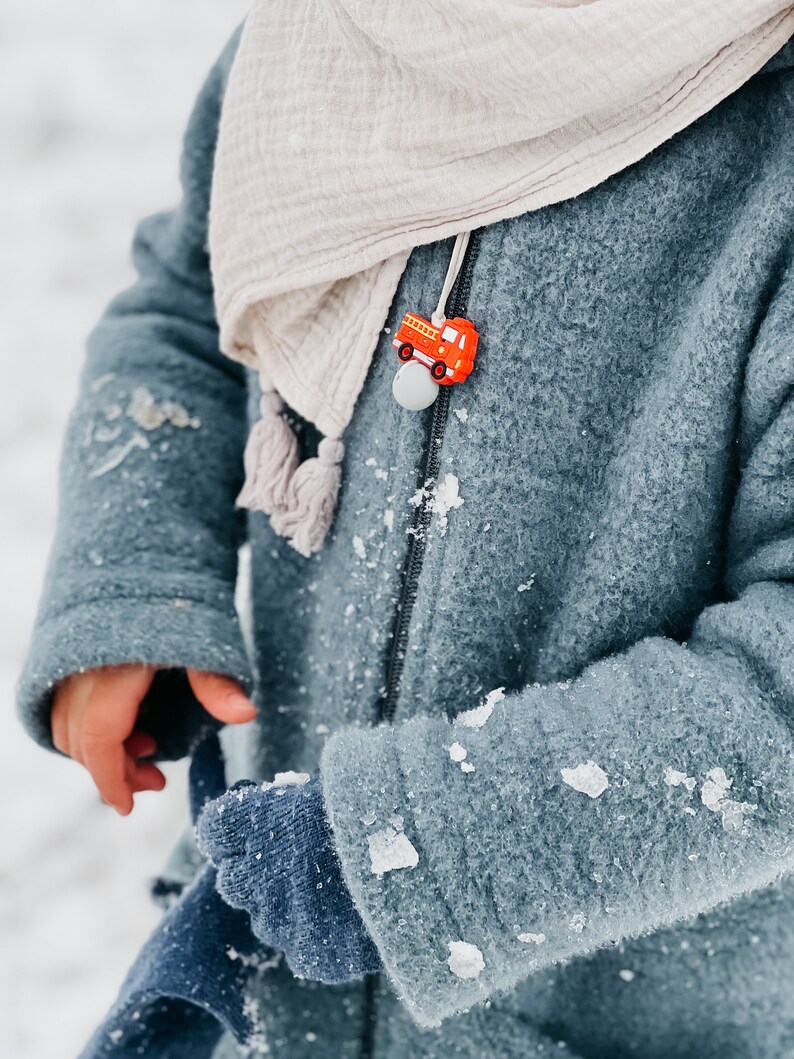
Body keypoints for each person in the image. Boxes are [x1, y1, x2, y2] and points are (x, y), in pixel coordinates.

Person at [15, 5, 794, 1057]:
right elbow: (192, 300)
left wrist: (414, 843)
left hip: (615, 1022)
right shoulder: (316, 40)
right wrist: (134, 580)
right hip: (283, 998)